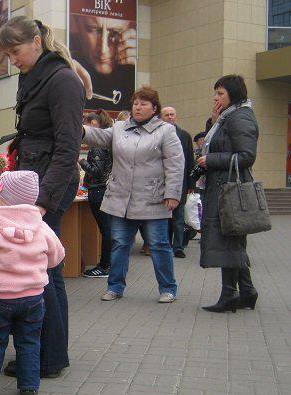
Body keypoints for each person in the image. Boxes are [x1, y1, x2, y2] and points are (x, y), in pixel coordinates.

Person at [0, 16, 85, 379]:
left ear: (36, 41)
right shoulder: (35, 76)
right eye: (7, 54)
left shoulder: (62, 80)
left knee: (44, 269)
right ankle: (45, 353)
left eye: (15, 51)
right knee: (42, 268)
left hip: (49, 183)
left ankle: (47, 357)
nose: (12, 59)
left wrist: (43, 199)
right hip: (38, 178)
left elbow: (68, 147)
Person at [0, 171, 65, 395]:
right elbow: (57, 255)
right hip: (34, 298)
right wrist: (38, 263)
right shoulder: (42, 227)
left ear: (6, 199)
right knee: (29, 341)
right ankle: (29, 386)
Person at [82, 86, 184, 303]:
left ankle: (168, 288)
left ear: (154, 108)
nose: (138, 107)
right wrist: (79, 130)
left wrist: (173, 193)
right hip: (121, 198)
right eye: (135, 103)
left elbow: (175, 163)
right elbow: (98, 136)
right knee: (119, 243)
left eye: (144, 103)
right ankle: (115, 287)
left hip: (153, 198)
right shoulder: (119, 127)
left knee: (158, 244)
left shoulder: (166, 131)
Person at [197, 75, 259, 313]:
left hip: (230, 190)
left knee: (228, 241)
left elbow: (246, 156)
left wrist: (211, 160)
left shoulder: (240, 117)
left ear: (234, 94)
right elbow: (218, 143)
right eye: (215, 93)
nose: (216, 98)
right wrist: (213, 123)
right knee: (232, 240)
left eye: (220, 93)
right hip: (224, 186)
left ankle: (229, 295)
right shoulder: (227, 117)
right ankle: (247, 290)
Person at [69, 15, 136, 111]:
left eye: (115, 32)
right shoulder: (67, 64)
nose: (103, 50)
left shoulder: (132, 69)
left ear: (130, 27)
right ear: (76, 22)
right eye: (92, 29)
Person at [79, 110, 113, 277]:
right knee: (109, 230)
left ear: (93, 124)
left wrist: (80, 161)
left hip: (98, 190)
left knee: (106, 230)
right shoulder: (107, 143)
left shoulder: (98, 146)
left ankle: (105, 266)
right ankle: (109, 264)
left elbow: (97, 171)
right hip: (103, 190)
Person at [161, 106, 195, 258]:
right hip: (162, 183)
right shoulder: (158, 134)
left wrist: (191, 184)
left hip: (181, 184)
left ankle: (178, 247)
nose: (169, 117)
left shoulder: (185, 136)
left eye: (172, 114)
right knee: (164, 217)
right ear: (162, 117)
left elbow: (189, 161)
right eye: (166, 115)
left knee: (179, 217)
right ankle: (166, 244)